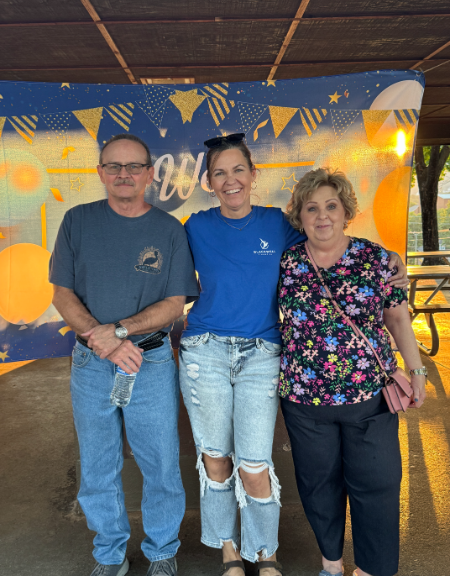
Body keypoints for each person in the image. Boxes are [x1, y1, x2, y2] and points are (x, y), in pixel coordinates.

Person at [178, 134, 408, 576]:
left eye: (238, 170)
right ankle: (228, 553)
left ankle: (265, 554)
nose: (230, 180)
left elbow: (332, 239)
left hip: (262, 352)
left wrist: (391, 259)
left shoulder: (277, 226)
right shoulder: (195, 227)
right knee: (215, 457)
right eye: (220, 173)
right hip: (204, 350)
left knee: (253, 462)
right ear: (209, 181)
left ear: (253, 175)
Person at [49, 133, 199, 576]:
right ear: (99, 172)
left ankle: (161, 551)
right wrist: (108, 344)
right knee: (98, 465)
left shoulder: (168, 230)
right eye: (113, 166)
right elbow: (62, 294)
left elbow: (175, 304)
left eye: (134, 167)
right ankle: (110, 554)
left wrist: (117, 332)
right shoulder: (77, 221)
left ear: (150, 174)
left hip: (150, 362)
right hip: (91, 364)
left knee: (160, 463)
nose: (124, 175)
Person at [278, 167, 427, 576]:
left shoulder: (378, 259)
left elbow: (398, 321)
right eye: (312, 208)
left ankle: (370, 569)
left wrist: (417, 372)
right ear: (300, 216)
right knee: (317, 486)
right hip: (304, 401)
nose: (322, 215)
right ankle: (332, 563)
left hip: (370, 398)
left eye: (331, 206)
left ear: (346, 212)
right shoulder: (287, 261)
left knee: (377, 485)